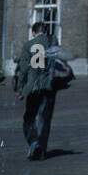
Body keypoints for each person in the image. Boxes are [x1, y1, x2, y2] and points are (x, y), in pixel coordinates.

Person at [14, 20, 56, 161]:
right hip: (49, 87)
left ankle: (33, 142)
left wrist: (20, 89)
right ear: (45, 31)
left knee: (29, 117)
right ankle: (42, 151)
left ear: (33, 32)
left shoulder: (28, 45)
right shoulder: (53, 42)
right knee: (45, 118)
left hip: (34, 87)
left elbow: (23, 70)